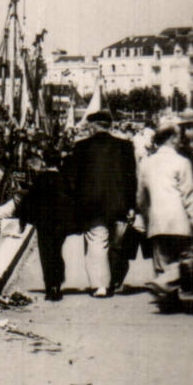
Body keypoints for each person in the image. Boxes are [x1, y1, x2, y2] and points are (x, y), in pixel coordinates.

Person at [64, 110, 137, 297]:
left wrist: (74, 203)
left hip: (91, 205)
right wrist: (131, 206)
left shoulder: (81, 147)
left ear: (93, 126)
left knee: (97, 243)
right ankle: (115, 281)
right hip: (120, 205)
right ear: (108, 125)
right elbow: (131, 178)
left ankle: (100, 285)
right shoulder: (125, 146)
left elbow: (73, 179)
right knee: (116, 245)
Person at [137, 123, 193, 290]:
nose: (180, 141)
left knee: (162, 262)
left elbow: (141, 197)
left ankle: (167, 294)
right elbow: (189, 196)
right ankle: (170, 288)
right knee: (182, 260)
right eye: (177, 137)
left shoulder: (146, 163)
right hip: (180, 219)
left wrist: (147, 217)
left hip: (157, 220)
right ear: (171, 138)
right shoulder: (182, 162)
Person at [17, 145, 74, 300]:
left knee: (46, 253)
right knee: (57, 251)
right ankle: (57, 282)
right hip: (61, 224)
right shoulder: (65, 179)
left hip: (44, 223)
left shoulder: (40, 180)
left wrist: (23, 221)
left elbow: (28, 201)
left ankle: (50, 286)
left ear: (44, 162)